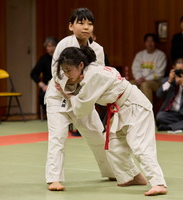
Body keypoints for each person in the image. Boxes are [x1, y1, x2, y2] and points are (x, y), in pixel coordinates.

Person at [55, 46, 167, 196]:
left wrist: (68, 95)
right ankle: (134, 176)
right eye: (64, 70)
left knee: (140, 145)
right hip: (122, 108)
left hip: (135, 106)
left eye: (68, 70)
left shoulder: (93, 76)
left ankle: (158, 183)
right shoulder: (91, 72)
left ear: (81, 65)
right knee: (113, 145)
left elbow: (83, 107)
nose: (67, 74)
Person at [44, 8, 114, 191]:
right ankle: (54, 178)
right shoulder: (64, 44)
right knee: (58, 137)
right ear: (70, 26)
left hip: (82, 98)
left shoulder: (97, 50)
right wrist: (68, 91)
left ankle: (112, 171)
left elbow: (96, 77)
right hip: (58, 97)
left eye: (90, 24)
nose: (86, 27)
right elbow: (57, 72)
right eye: (81, 23)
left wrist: (81, 95)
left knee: (98, 135)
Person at [131, 33, 167, 104]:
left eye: (152, 41)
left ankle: (148, 112)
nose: (150, 43)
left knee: (145, 85)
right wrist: (139, 78)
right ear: (145, 43)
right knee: (129, 84)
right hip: (140, 80)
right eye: (148, 41)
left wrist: (146, 79)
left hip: (156, 82)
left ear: (155, 43)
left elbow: (159, 73)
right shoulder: (140, 55)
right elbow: (135, 69)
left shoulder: (161, 55)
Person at [30, 36, 58, 117]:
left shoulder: (60, 57)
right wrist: (42, 85)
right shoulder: (43, 59)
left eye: (52, 46)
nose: (50, 48)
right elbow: (34, 73)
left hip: (59, 84)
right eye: (48, 46)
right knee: (43, 94)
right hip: (48, 85)